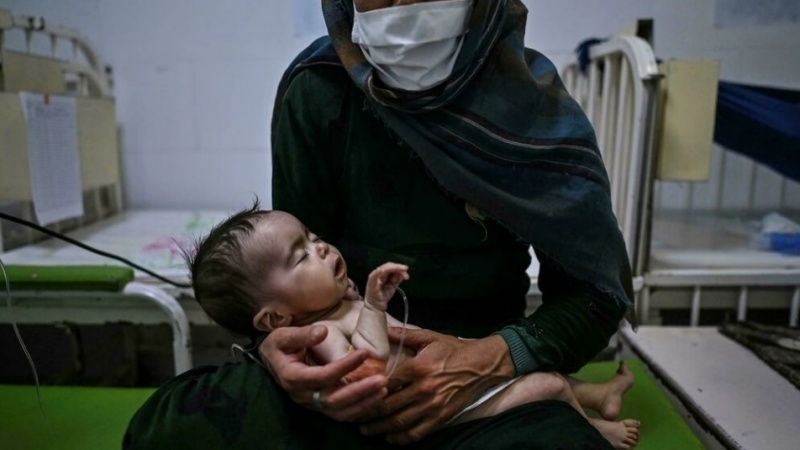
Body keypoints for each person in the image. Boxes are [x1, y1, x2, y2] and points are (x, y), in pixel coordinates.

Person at [124, 1, 635, 448]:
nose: (398, 8)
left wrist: (493, 357)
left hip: (481, 377)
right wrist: (284, 362)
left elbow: (595, 296)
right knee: (164, 432)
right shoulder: (320, 89)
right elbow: (278, 282)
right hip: (346, 382)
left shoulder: (531, 109)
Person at [184, 204, 640, 448]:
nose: (321, 248)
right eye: (301, 256)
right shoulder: (322, 334)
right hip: (437, 412)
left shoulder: (335, 306)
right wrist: (373, 306)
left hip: (444, 372)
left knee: (514, 363)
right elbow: (368, 370)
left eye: (314, 237)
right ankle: (596, 428)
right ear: (275, 319)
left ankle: (599, 394)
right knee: (547, 385)